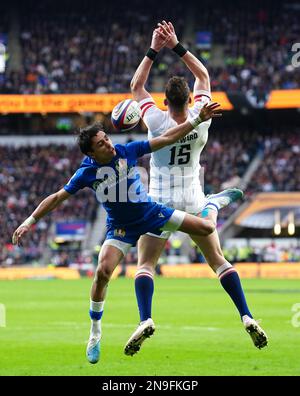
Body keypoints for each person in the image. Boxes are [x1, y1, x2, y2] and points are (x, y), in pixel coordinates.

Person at [12, 102, 242, 365]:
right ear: (91, 153)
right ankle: (95, 333)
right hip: (120, 228)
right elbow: (56, 198)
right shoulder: (86, 173)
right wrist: (29, 221)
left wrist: (196, 120)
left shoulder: (127, 151)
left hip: (150, 213)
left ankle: (212, 202)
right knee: (102, 272)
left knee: (207, 227)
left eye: (107, 139)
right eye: (101, 144)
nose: (108, 145)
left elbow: (166, 138)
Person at [125, 21, 268, 356]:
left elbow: (135, 86)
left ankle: (145, 318)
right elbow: (203, 76)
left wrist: (153, 48)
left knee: (145, 266)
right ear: (189, 98)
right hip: (192, 198)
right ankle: (246, 315)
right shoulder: (202, 117)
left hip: (160, 203)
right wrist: (176, 45)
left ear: (164, 101)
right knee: (218, 260)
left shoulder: (156, 121)